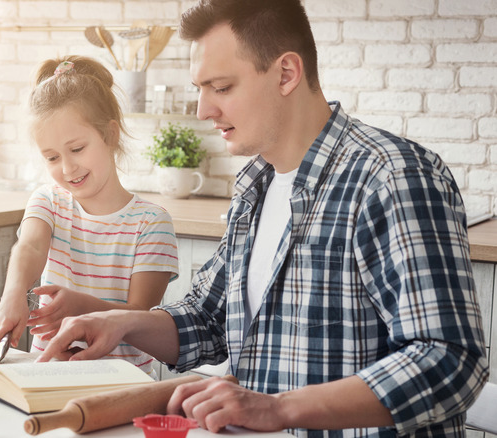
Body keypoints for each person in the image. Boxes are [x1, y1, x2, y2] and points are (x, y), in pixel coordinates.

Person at [36, 0, 489, 436]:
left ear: (286, 73)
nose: (203, 110)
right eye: (200, 89)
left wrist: (278, 408)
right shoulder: (256, 185)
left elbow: (448, 359)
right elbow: (207, 319)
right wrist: (119, 323)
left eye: (222, 87)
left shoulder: (391, 177)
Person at [0, 56, 179, 375]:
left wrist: (83, 307)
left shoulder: (151, 223)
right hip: (50, 373)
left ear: (111, 135)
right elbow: (31, 247)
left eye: (77, 149)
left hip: (122, 385)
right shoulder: (49, 201)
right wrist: (13, 293)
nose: (67, 168)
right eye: (51, 157)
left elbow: (140, 314)